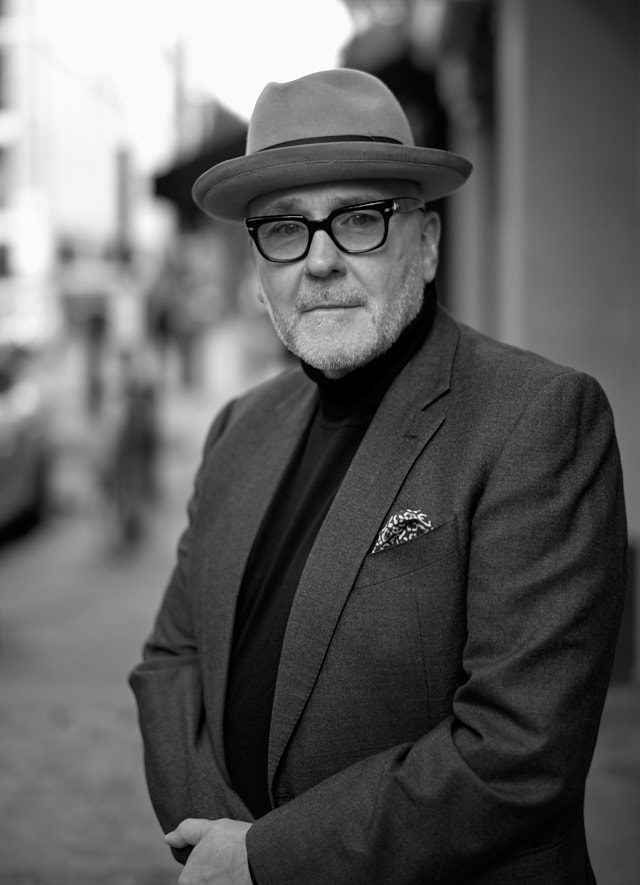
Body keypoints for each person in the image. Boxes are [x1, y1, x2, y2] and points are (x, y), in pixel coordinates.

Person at [129, 69, 627, 885]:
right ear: (259, 272)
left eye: (359, 219)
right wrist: (215, 838)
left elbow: (517, 749)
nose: (319, 262)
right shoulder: (238, 428)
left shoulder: (538, 418)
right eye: (284, 229)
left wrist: (265, 859)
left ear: (426, 245)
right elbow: (168, 661)